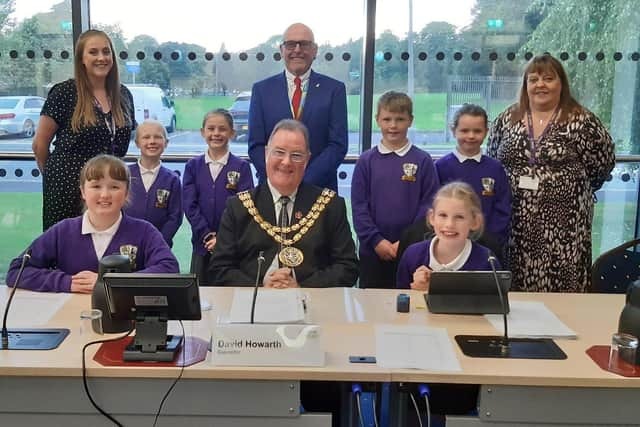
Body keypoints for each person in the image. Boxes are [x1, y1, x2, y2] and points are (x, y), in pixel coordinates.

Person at [487, 54, 615, 292]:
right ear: (526, 85)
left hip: (565, 226)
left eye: (548, 78)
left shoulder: (582, 121)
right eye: (533, 79)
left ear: (561, 84)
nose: (540, 85)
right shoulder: (507, 118)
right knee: (516, 286)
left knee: (563, 288)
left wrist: (567, 189)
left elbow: (602, 165)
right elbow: (494, 159)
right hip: (515, 223)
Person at [209, 119, 358, 288]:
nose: (286, 162)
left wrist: (302, 287)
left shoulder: (330, 206)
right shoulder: (238, 207)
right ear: (266, 154)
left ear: (307, 160)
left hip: (312, 304)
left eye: (296, 155)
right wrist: (261, 284)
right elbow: (219, 269)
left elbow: (348, 268)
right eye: (279, 152)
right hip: (253, 305)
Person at [6, 155, 179, 293]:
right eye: (96, 186)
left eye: (114, 187)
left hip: (126, 319)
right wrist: (66, 282)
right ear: (83, 191)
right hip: (72, 316)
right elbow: (16, 272)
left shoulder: (144, 231)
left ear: (126, 193)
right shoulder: (64, 231)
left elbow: (169, 268)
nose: (104, 195)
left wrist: (112, 281)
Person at [33, 29, 135, 231]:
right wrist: (56, 176)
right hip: (67, 189)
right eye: (93, 52)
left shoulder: (123, 94)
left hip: (107, 191)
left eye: (106, 52)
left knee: (106, 248)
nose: (101, 58)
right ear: (81, 59)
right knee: (65, 250)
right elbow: (39, 145)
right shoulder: (64, 93)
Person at [351, 91, 439, 288]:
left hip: (412, 251)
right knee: (372, 308)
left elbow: (429, 205)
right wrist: (376, 241)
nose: (393, 125)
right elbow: (358, 207)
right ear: (377, 120)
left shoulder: (423, 161)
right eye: (387, 119)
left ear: (410, 120)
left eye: (400, 119)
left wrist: (406, 242)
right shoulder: (366, 161)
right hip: (372, 251)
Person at [248, 22, 348, 192]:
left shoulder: (334, 90)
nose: (297, 50)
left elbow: (337, 145)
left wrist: (302, 181)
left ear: (315, 50)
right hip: (272, 191)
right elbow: (256, 145)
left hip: (318, 190)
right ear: (281, 50)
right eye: (290, 44)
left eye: (304, 44)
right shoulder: (262, 90)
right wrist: (279, 177)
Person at [183, 109, 254, 286]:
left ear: (232, 133)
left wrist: (222, 239)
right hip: (202, 245)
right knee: (200, 297)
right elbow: (189, 206)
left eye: (222, 129)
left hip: (231, 247)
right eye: (211, 128)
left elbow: (245, 207)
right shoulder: (193, 166)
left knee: (229, 295)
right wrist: (206, 235)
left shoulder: (242, 167)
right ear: (202, 132)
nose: (216, 133)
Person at [435, 103, 511, 257]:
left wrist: (493, 239)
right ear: (453, 130)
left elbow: (503, 208)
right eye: (464, 130)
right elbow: (435, 207)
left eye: (477, 131)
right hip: (449, 243)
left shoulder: (495, 168)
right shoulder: (440, 167)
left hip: (487, 246)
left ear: (486, 132)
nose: (470, 136)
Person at [396, 182, 498, 290]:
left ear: (475, 222)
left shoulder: (488, 261)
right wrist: (415, 292)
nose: (449, 224)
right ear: (432, 218)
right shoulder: (412, 255)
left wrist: (435, 290)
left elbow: (494, 304)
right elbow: (400, 299)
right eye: (443, 215)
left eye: (459, 217)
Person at [124, 119, 182, 248]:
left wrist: (159, 242)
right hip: (125, 245)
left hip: (159, 246)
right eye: (146, 137)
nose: (152, 141)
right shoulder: (124, 175)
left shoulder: (172, 180)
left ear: (166, 143)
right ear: (137, 143)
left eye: (157, 137)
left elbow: (175, 217)